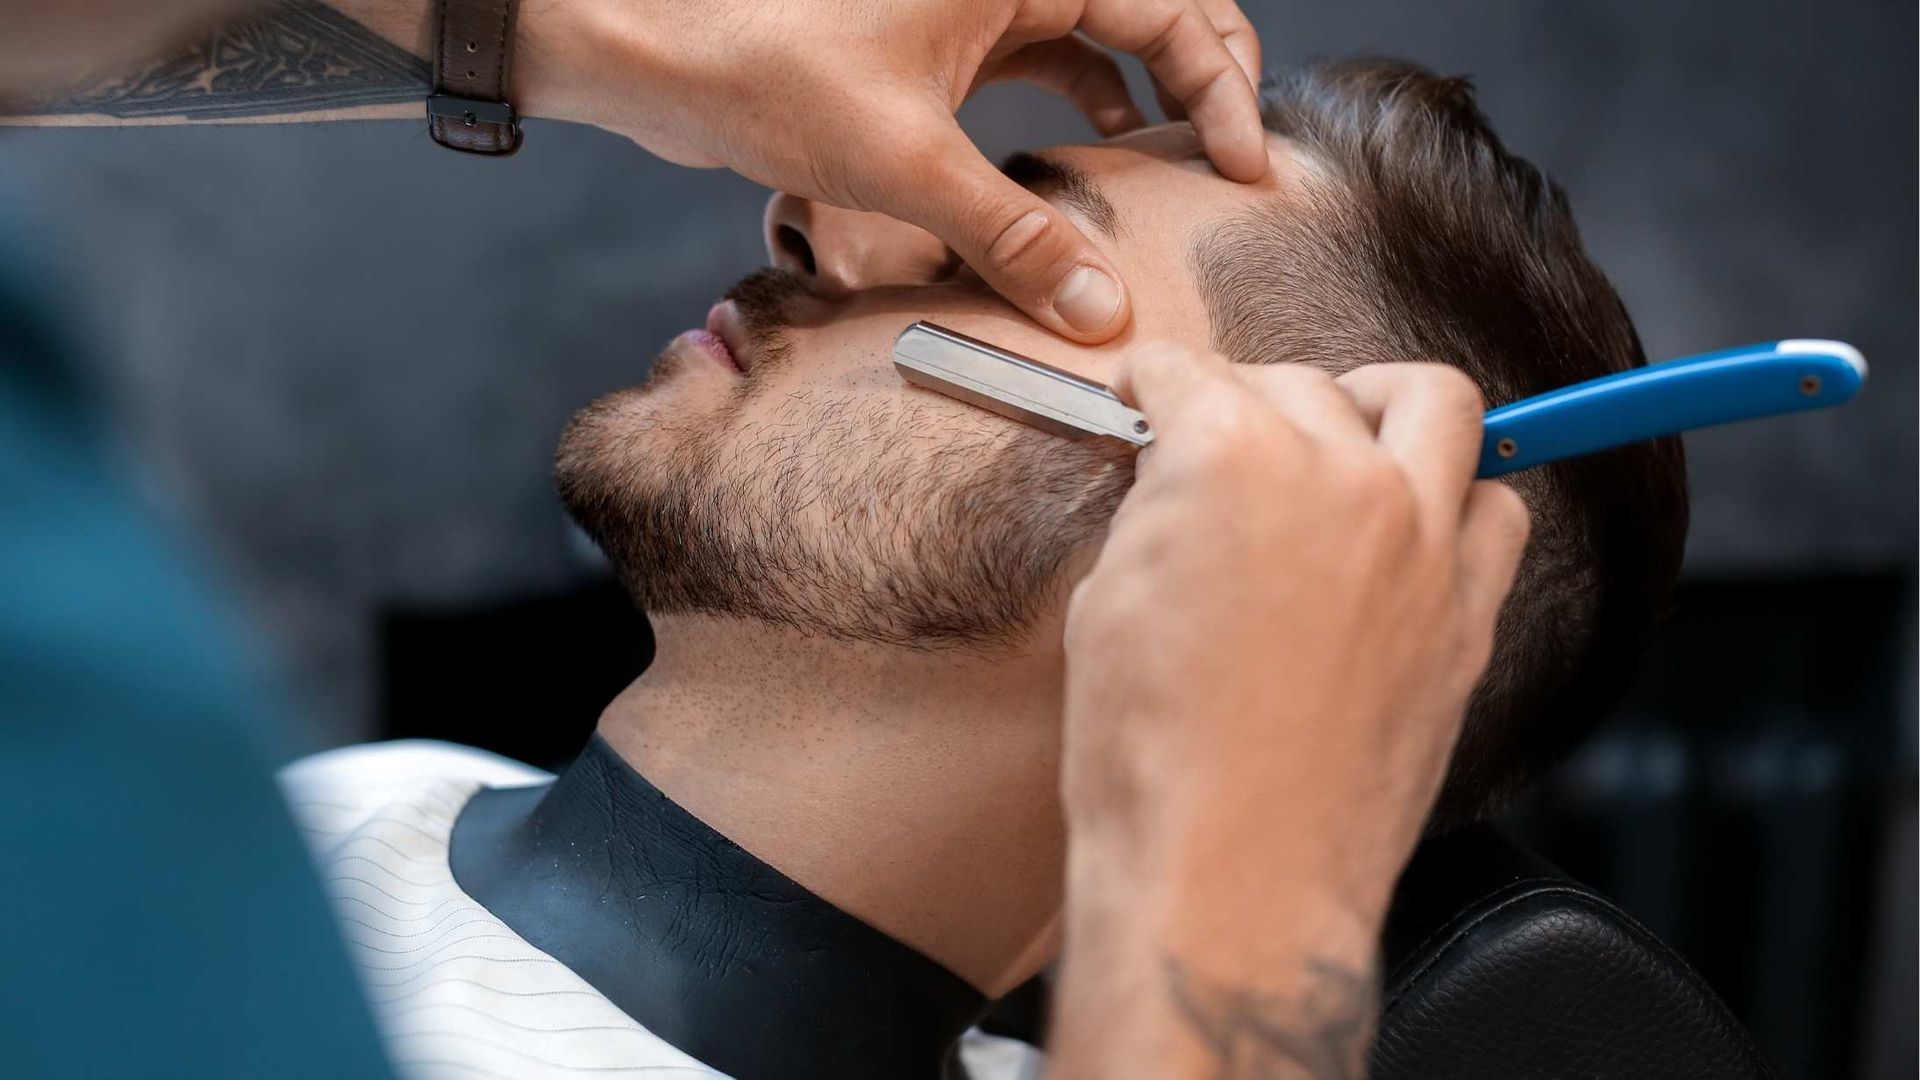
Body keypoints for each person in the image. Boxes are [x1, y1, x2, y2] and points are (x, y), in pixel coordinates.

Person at [278, 59, 1686, 1078]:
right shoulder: (333, 813)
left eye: (1014, 257)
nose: (814, 215)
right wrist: (551, 30)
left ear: (1230, 511)